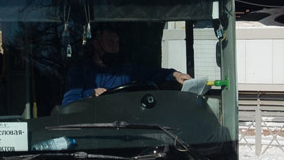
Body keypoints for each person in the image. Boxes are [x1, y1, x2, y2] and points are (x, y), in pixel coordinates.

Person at [61, 26, 190, 106]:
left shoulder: (125, 70)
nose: (115, 47)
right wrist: (91, 94)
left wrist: (175, 74)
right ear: (96, 44)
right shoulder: (79, 72)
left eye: (117, 42)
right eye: (110, 42)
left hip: (125, 128)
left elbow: (152, 73)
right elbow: (68, 105)